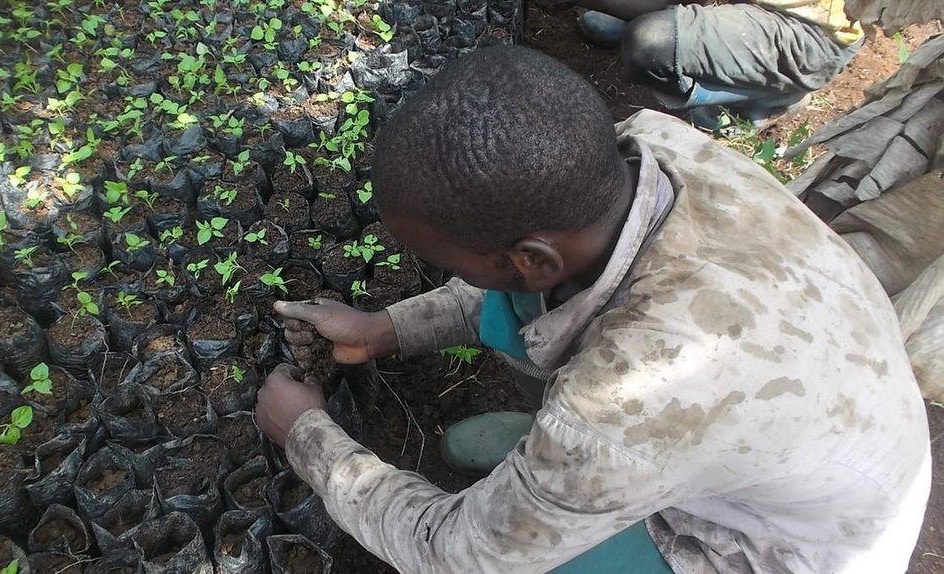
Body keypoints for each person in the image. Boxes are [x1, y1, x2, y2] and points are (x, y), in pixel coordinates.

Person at [254, 45, 929, 573]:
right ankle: (555, 476)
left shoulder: (625, 405)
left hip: (771, 549)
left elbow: (454, 555)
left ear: (534, 258)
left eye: (454, 263)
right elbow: (528, 278)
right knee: (527, 332)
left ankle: (563, 483)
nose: (451, 277)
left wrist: (311, 440)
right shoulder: (654, 148)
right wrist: (385, 330)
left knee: (525, 546)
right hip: (788, 433)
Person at [542, 0, 864, 129]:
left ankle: (766, 98)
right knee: (650, 29)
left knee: (650, 43)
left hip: (810, 31)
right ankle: (657, 16)